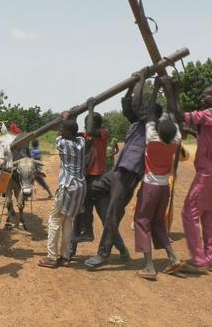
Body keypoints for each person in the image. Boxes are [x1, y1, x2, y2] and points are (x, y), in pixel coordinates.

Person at [85, 73, 162, 269]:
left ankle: (103, 254)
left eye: (145, 109)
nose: (140, 110)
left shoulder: (151, 126)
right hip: (116, 172)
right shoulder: (137, 123)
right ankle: (88, 230)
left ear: (151, 115)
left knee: (113, 212)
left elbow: (137, 104)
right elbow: (129, 104)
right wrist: (131, 84)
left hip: (129, 174)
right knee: (86, 191)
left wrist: (144, 80)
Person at [134, 82, 183, 280]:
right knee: (158, 223)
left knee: (142, 221)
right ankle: (172, 257)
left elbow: (152, 114)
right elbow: (173, 113)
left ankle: (149, 266)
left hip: (150, 186)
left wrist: (156, 89)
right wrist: (170, 92)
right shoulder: (175, 140)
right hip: (164, 188)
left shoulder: (152, 138)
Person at [181, 86, 212, 273]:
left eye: (207, 95)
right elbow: (209, 135)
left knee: (189, 212)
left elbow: (181, 115)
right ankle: (211, 260)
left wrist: (172, 90)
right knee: (208, 217)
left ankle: (199, 259)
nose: (203, 98)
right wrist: (196, 133)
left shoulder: (208, 114)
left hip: (207, 173)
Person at [38, 114, 85, 268]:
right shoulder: (81, 143)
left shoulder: (62, 143)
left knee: (54, 221)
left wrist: (64, 118)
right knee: (68, 221)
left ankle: (52, 257)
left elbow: (59, 135)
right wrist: (72, 118)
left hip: (67, 186)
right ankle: (65, 256)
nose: (59, 131)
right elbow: (75, 131)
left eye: (61, 129)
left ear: (66, 133)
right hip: (80, 187)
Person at [72, 99, 110, 248]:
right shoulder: (85, 135)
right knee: (84, 209)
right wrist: (74, 117)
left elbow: (92, 131)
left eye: (87, 123)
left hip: (97, 178)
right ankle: (79, 240)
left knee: (100, 214)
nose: (85, 127)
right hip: (86, 177)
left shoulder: (103, 132)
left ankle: (89, 234)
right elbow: (72, 132)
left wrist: (90, 108)